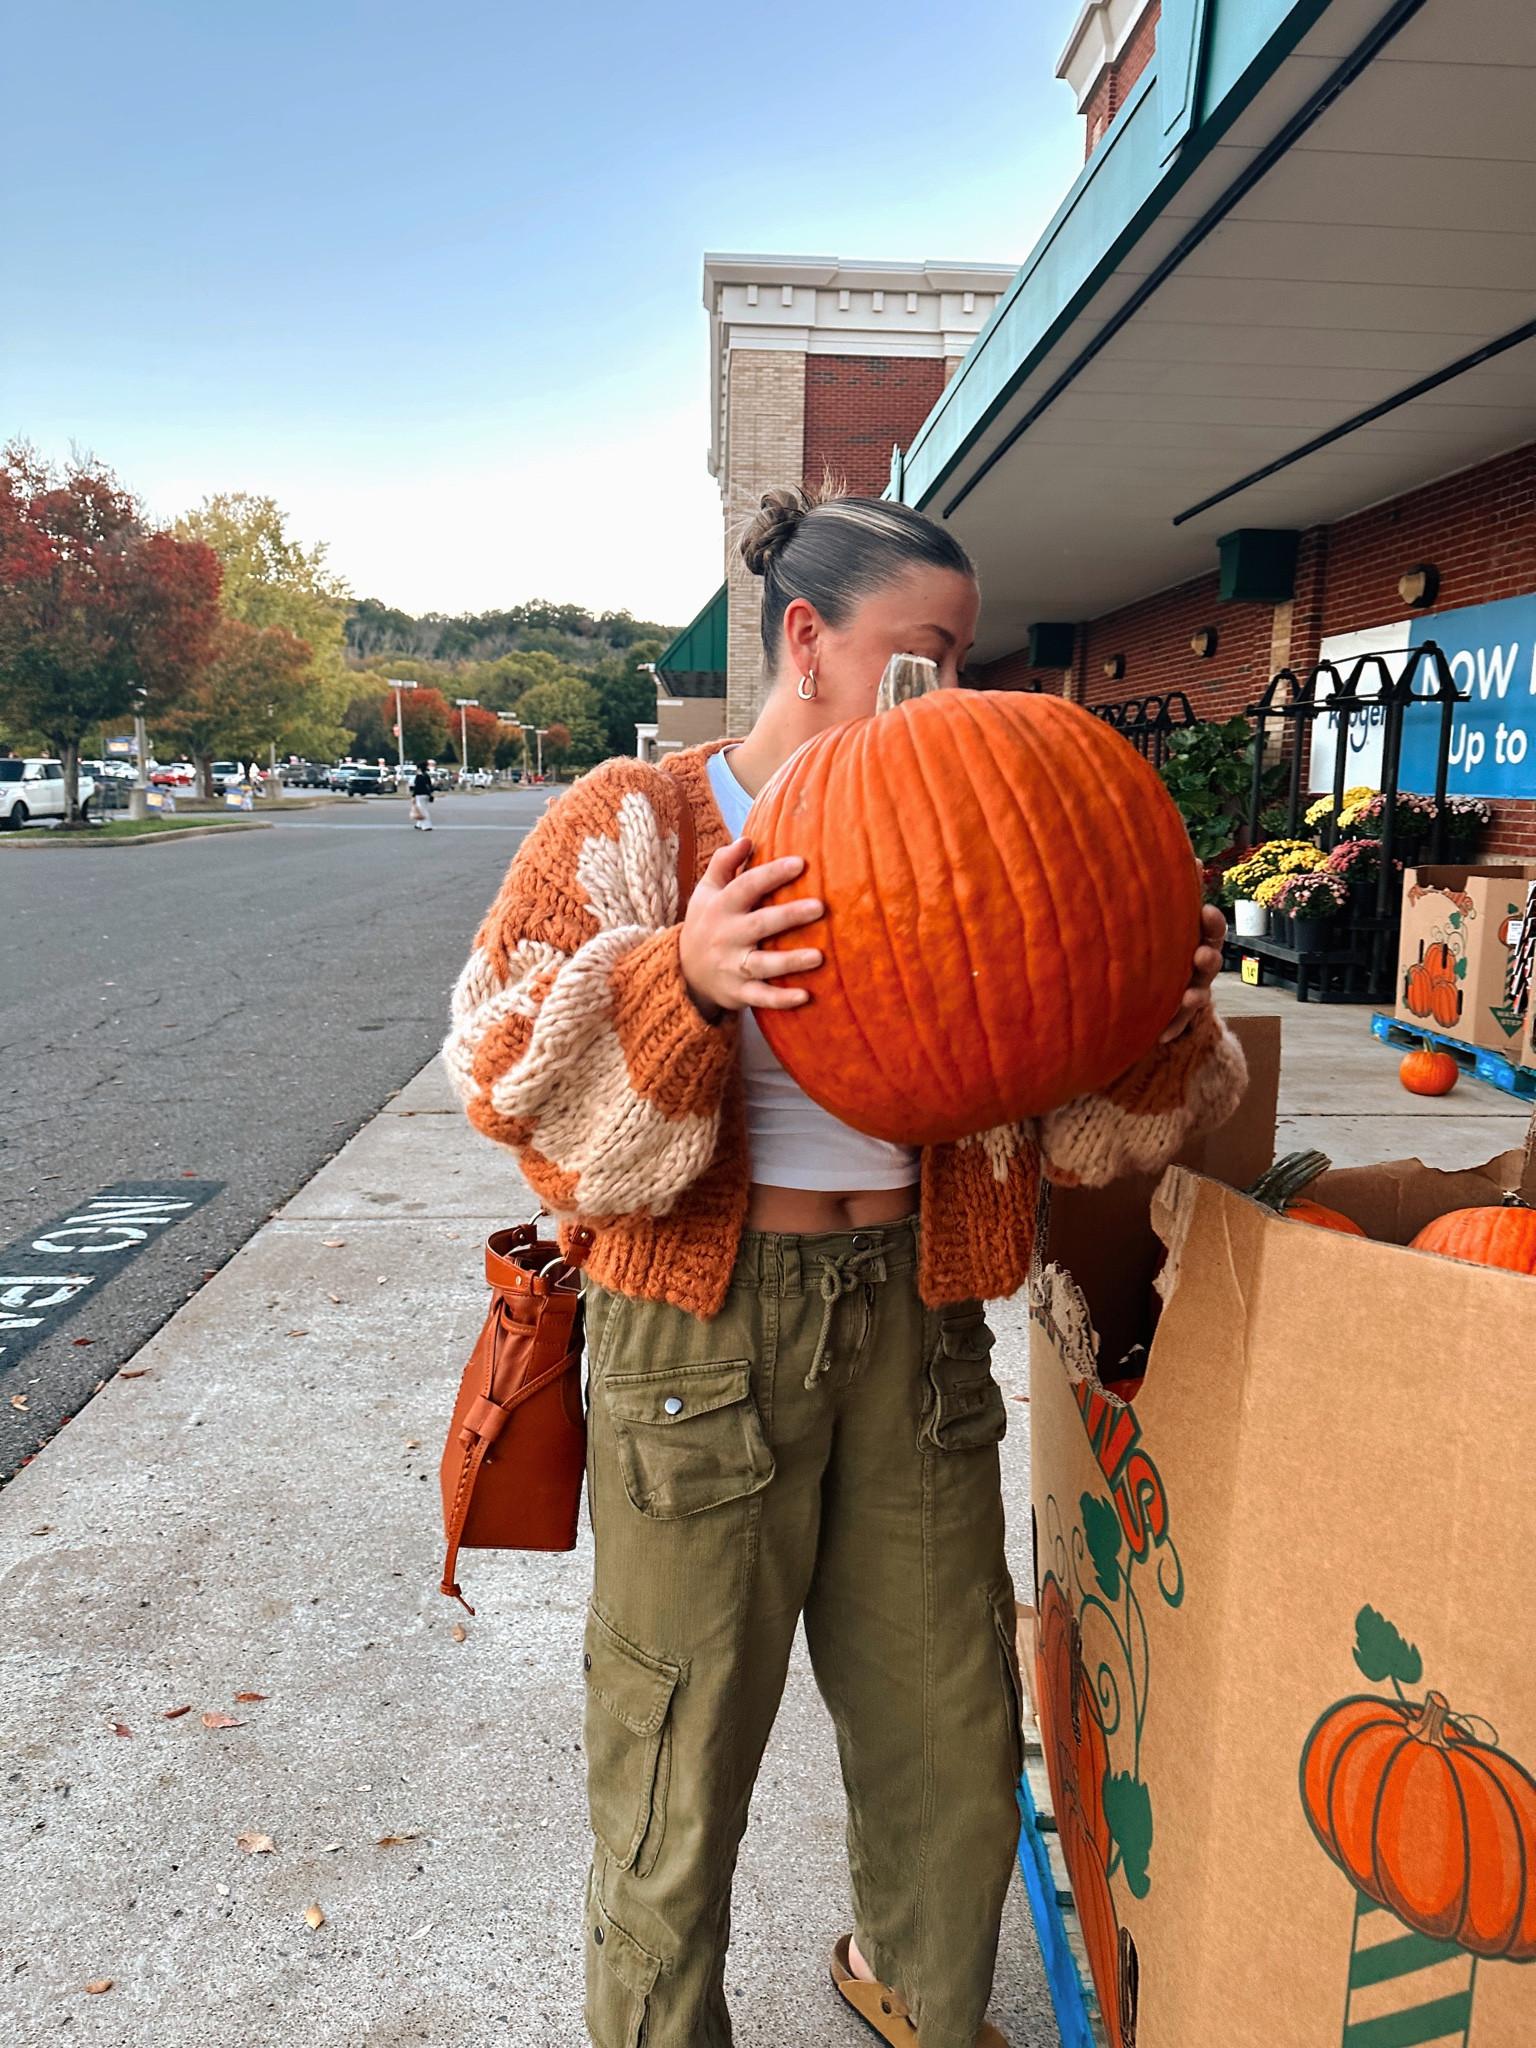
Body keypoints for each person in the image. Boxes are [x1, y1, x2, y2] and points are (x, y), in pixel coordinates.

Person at [444, 486, 1238, 2048]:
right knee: (677, 1750)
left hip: (924, 1322)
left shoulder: (977, 811)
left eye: (965, 657)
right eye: (921, 654)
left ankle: (925, 2000)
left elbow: (1075, 1127)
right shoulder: (641, 821)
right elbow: (501, 1062)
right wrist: (679, 973)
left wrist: (1152, 1003)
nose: (953, 688)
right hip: (702, 1340)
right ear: (808, 638)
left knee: (950, 1726)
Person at [411, 760, 435, 830]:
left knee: (422, 810)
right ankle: (419, 824)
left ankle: (427, 825)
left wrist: (413, 796)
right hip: (426, 795)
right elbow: (430, 786)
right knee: (422, 808)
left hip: (420, 795)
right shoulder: (427, 776)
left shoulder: (419, 777)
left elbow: (416, 787)